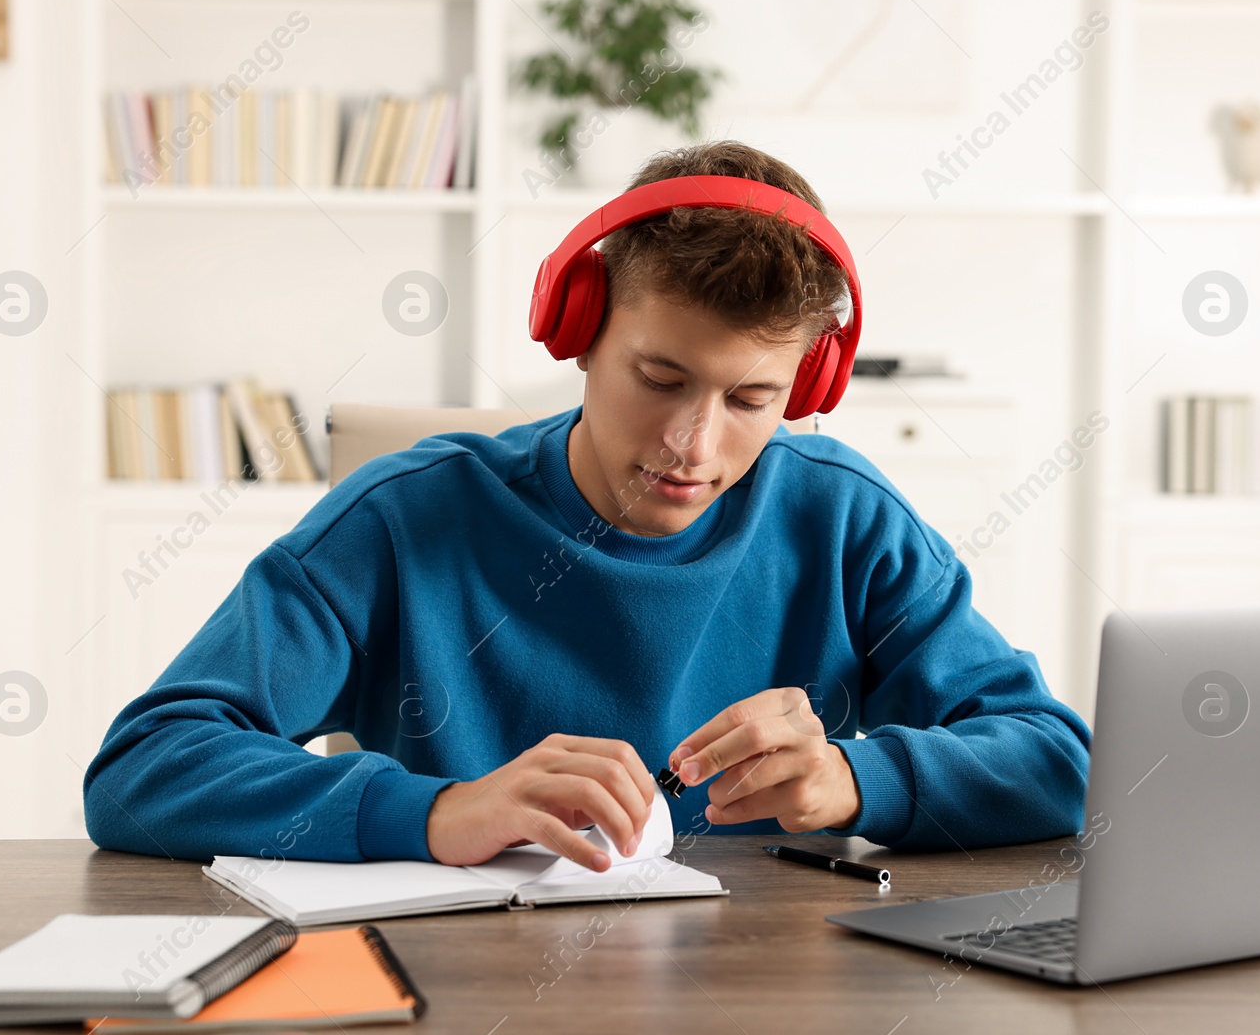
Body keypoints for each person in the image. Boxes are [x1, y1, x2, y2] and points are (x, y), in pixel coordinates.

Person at [83, 140, 1090, 873]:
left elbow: (1054, 758)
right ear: (580, 328)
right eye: (659, 376)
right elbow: (145, 766)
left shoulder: (845, 518)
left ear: (808, 385)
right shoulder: (404, 517)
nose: (693, 444)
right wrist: (437, 811)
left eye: (749, 400)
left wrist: (854, 782)